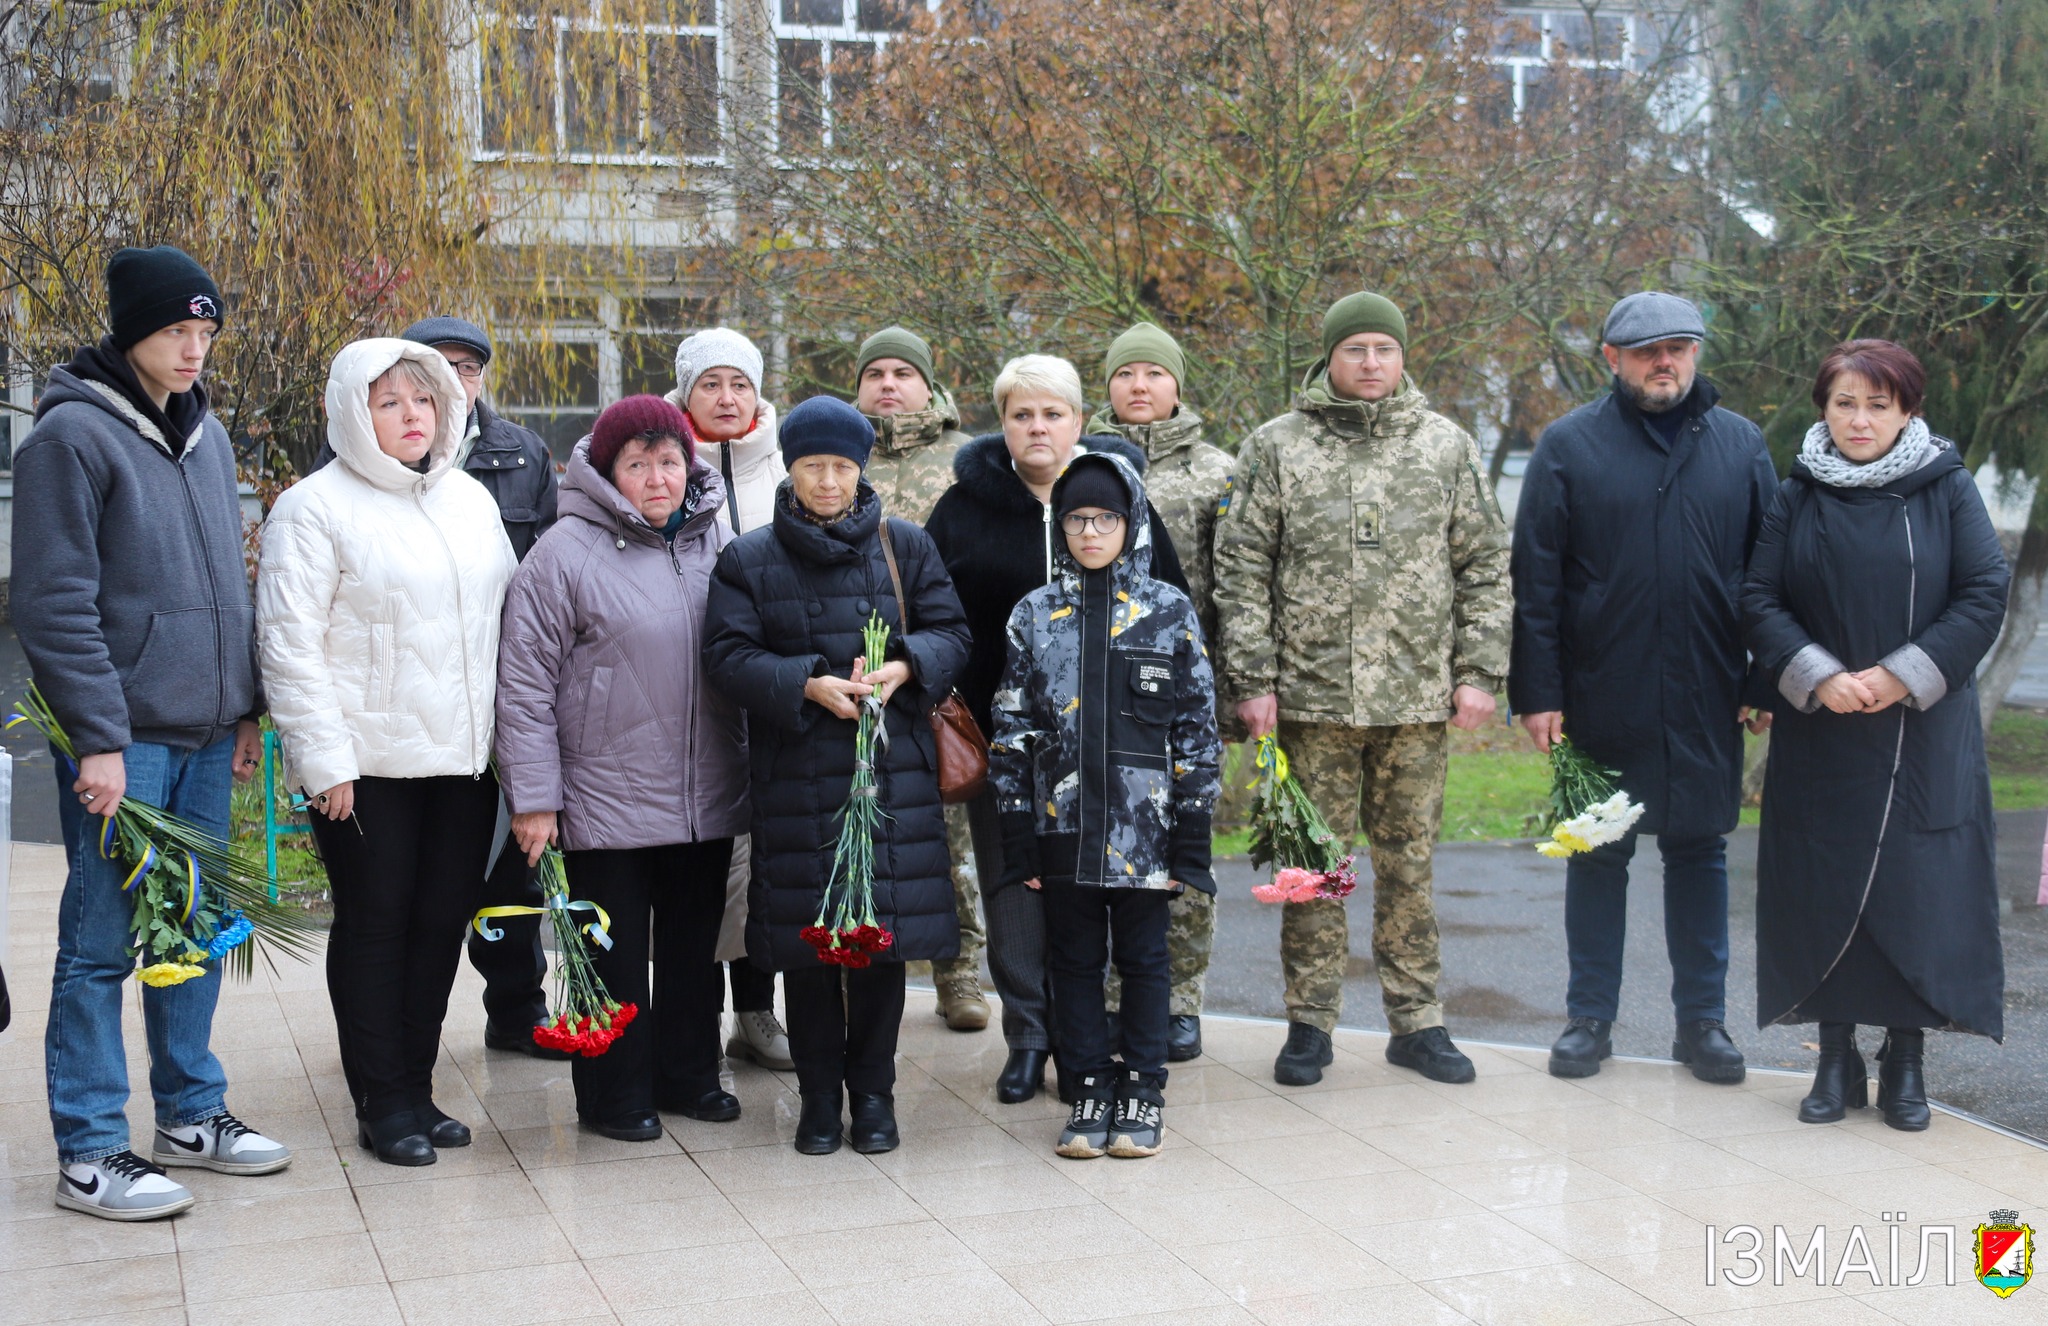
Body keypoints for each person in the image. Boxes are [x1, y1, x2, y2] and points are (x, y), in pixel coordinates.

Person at [15, 245, 291, 1220]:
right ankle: (90, 1148)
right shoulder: (71, 439)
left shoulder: (207, 437)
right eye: (178, 329)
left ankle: (190, 1113)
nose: (194, 348)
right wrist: (96, 738)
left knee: (194, 935)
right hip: (124, 736)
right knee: (101, 941)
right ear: (132, 331)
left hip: (208, 732)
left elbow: (231, 585)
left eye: (206, 331)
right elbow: (53, 603)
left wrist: (248, 706)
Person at [1212, 291, 1510, 1089]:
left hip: (1416, 702)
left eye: (1384, 348)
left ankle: (1418, 1022)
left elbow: (1484, 565)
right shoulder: (1277, 446)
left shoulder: (1444, 446)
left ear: (1403, 355)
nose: (1371, 364)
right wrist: (1254, 679)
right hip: (1311, 703)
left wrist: (1479, 672)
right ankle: (1309, 1024)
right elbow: (1241, 570)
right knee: (1314, 867)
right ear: (1330, 357)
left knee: (1410, 866)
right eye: (1356, 350)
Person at [1509, 292, 1779, 1085]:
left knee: (1699, 856)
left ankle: (1703, 1025)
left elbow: (1770, 572)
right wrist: (1539, 692)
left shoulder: (1740, 444)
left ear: (1696, 353)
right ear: (1612, 358)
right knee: (1597, 856)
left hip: (1708, 690)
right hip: (1602, 691)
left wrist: (1763, 674)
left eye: (1680, 348)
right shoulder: (1568, 446)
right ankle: (1589, 1019)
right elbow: (1538, 583)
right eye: (1647, 350)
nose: (1666, 362)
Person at [257, 338, 516, 1166]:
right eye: (390, 403)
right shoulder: (312, 506)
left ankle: (417, 1082)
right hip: (364, 770)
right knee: (377, 924)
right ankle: (381, 1099)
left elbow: (506, 624)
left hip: (462, 762)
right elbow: (289, 643)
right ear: (352, 414)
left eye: (425, 400)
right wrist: (322, 757)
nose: (412, 417)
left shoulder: (469, 499)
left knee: (441, 923)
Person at [1743, 340, 2009, 1131]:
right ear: (1823, 407)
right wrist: (1819, 673)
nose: (1860, 420)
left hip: (1921, 730)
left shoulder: (1947, 487)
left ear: (1909, 411)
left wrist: (1902, 674)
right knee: (1822, 888)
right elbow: (1759, 595)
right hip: (1823, 727)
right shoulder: (1798, 492)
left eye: (1878, 405)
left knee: (1916, 893)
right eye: (1844, 403)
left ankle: (1905, 1059)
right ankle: (1834, 1058)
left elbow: (1984, 589)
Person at [704, 395, 971, 1156]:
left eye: (842, 467)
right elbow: (726, 657)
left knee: (881, 946)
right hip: (797, 780)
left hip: (892, 779)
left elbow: (953, 633)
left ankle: (875, 1097)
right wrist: (804, 684)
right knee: (810, 949)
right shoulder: (749, 558)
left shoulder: (906, 546)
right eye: (813, 466)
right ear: (790, 468)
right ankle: (820, 1099)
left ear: (863, 467)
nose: (828, 482)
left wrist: (905, 667)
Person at [926, 354, 1190, 1104]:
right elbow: (935, 616)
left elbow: (1169, 606)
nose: (1037, 428)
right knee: (1016, 888)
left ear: (1079, 422)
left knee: (1101, 893)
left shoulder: (1121, 502)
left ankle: (1095, 1032)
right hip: (1005, 746)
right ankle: (1030, 1035)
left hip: (1116, 746)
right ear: (1002, 425)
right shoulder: (963, 508)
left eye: (1052, 414)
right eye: (1021, 415)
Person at [494, 395, 749, 1138]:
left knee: (691, 948)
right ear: (607, 472)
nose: (658, 478)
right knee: (612, 954)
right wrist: (534, 798)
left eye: (669, 461)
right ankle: (614, 1095)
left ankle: (689, 1076)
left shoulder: (716, 543)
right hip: (603, 795)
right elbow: (524, 684)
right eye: (638, 464)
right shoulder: (562, 554)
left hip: (704, 790)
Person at [990, 453, 1220, 1160]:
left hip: (1145, 833)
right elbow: (1011, 726)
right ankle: (1086, 1082)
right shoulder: (1036, 613)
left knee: (1147, 961)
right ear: (1059, 527)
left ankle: (1143, 1090)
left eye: (1106, 519)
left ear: (1132, 523)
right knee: (1075, 961)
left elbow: (1196, 726)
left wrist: (1191, 832)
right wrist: (1018, 834)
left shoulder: (1167, 611)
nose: (1091, 532)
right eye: (1077, 519)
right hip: (1063, 827)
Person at [1086, 321, 1235, 1063]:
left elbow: (1236, 586)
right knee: (1102, 855)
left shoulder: (1217, 472)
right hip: (1094, 690)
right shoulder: (1079, 461)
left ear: (1177, 383)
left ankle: (1180, 1001)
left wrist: (1231, 691)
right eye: (1125, 374)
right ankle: (1112, 1003)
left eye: (1153, 373)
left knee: (1181, 851)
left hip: (1179, 692)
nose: (1138, 386)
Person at [852, 325, 990, 1034]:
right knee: (861, 819)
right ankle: (864, 956)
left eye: (903, 371)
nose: (887, 384)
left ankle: (960, 972)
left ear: (929, 384)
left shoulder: (962, 461)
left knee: (946, 829)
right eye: (874, 372)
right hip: (855, 672)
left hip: (936, 667)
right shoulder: (841, 457)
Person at [665, 327, 795, 1073]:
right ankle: (691, 1018)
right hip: (685, 696)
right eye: (710, 383)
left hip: (772, 693)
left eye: (739, 384)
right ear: (686, 391)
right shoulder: (658, 464)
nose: (726, 398)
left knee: (763, 862)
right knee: (699, 863)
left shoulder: (783, 468)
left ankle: (755, 1012)